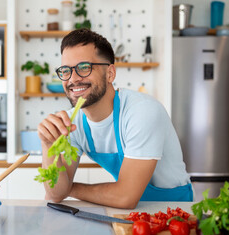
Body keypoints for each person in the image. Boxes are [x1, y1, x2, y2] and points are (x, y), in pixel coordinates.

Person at [37, 28, 193, 209]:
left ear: (110, 73)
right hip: (128, 215)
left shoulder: (142, 112)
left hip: (175, 211)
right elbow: (55, 194)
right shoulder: (74, 123)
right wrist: (48, 145)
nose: (73, 79)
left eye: (84, 68)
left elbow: (125, 197)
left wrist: (70, 189)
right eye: (66, 70)